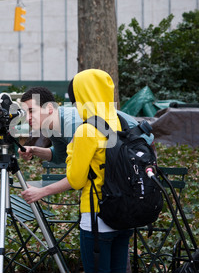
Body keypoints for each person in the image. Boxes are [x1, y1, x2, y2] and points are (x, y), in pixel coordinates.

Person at [19, 86, 153, 204]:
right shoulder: (53, 125)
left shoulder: (73, 124)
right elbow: (59, 156)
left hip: (139, 148)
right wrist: (34, 150)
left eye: (32, 111)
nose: (28, 118)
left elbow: (80, 176)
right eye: (26, 113)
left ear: (49, 108)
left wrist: (42, 192)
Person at [65, 68, 133, 273]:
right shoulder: (122, 124)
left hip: (97, 219)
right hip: (124, 215)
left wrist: (71, 149)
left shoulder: (87, 130)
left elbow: (75, 181)